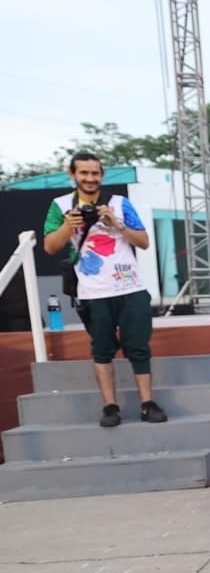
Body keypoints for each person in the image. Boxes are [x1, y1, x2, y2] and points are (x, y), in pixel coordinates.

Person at [40, 152, 167, 428]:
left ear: (102, 175)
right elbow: (50, 247)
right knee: (101, 349)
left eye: (95, 173)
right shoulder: (60, 205)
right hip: (92, 291)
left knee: (138, 347)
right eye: (83, 173)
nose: (90, 178)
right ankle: (110, 406)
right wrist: (67, 226)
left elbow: (143, 241)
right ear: (72, 175)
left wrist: (116, 224)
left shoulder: (120, 204)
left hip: (130, 286)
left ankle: (148, 403)